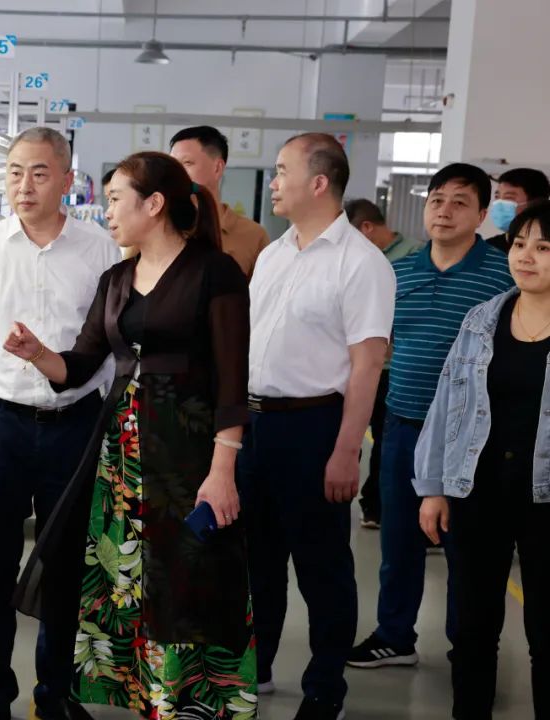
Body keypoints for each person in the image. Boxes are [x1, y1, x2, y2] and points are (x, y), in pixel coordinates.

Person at [7, 152, 256, 718]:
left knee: (188, 578)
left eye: (117, 199)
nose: (108, 211)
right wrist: (38, 354)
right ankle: (148, 698)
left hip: (189, 453)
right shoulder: (117, 279)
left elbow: (232, 380)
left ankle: (190, 704)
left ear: (155, 204)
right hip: (120, 456)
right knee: (128, 578)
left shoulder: (214, 273)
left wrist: (223, 471)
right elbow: (79, 364)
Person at [0, 126, 121, 720]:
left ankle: (55, 693)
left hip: (74, 425)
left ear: (67, 180)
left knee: (65, 565)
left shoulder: (100, 251)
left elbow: (112, 350)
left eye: (40, 173)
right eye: (15, 172)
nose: (25, 185)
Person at [241, 133, 395, 720]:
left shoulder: (362, 263)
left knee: (322, 568)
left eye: (283, 171)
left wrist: (347, 450)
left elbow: (367, 364)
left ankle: (325, 690)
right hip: (256, 424)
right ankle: (257, 667)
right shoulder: (275, 253)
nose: (274, 182)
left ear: (320, 182)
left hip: (314, 427)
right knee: (257, 561)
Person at [348, 164, 514, 671]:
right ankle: (395, 635)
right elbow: (381, 347)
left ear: (482, 215)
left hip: (472, 434)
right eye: (437, 200)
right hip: (403, 422)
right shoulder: (398, 273)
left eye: (460, 202)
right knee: (399, 538)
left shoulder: (503, 276)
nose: (444, 211)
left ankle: (468, 645)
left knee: (466, 546)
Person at [415, 199, 550, 720]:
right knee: (472, 630)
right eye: (519, 244)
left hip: (544, 502)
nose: (525, 257)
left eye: (543, 247)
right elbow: (447, 403)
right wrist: (433, 486)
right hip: (479, 492)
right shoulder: (482, 319)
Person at [344, 198, 421, 529]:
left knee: (385, 440)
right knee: (350, 433)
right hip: (356, 364)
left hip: (394, 369)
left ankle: (377, 504)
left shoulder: (415, 255)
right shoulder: (356, 258)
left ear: (366, 228)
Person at [169, 126, 271, 277]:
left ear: (217, 168)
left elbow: (262, 290)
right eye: (173, 165)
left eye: (187, 163)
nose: (177, 172)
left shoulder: (253, 235)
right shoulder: (162, 225)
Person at [486, 167, 550, 253]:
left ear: (535, 203)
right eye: (497, 197)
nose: (499, 203)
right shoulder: (488, 248)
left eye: (509, 197)